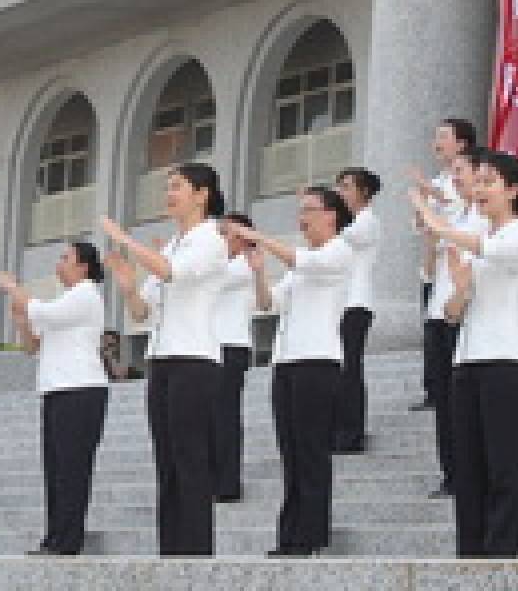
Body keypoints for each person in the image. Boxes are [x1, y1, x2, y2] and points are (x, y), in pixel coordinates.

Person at [411, 150, 518, 558]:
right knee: (468, 469)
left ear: (513, 190)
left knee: (503, 465)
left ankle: (501, 555)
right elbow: (451, 312)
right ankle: (470, 555)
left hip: (505, 362)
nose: (480, 189)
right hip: (466, 363)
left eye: (489, 182)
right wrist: (463, 290)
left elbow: (482, 246)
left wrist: (434, 221)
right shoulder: (474, 245)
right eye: (478, 181)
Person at [102, 163, 228, 557]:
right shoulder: (173, 244)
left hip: (195, 362)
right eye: (167, 187)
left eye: (177, 186)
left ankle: (194, 558)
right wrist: (126, 287)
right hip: (163, 362)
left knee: (190, 461)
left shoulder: (211, 239)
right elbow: (143, 312)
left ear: (202, 194)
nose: (169, 193)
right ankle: (170, 556)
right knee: (167, 462)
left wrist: (126, 240)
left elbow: (171, 273)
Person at [227, 187, 354, 558]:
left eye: (309, 210)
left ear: (331, 215)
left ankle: (311, 534)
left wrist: (258, 236)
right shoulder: (303, 262)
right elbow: (269, 303)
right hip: (286, 363)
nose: (302, 217)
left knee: (311, 450)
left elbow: (304, 263)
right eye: (300, 211)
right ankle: (290, 534)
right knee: (291, 450)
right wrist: (259, 272)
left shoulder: (338, 251)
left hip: (318, 363)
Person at [0, 242, 109, 557]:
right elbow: (33, 345)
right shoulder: (66, 299)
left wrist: (14, 288)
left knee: (73, 468)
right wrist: (20, 318)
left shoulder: (86, 295)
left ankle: (69, 539)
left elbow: (41, 312)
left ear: (83, 266)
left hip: (81, 390)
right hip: (57, 390)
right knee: (56, 468)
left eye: (65, 257)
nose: (59, 263)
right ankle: (55, 537)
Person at [422, 149, 487, 499]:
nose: (455, 177)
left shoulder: (481, 218)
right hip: (440, 314)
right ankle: (450, 472)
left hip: (463, 316)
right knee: (444, 405)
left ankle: (465, 474)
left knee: (459, 406)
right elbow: (434, 268)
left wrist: (427, 212)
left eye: (460, 170)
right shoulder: (457, 215)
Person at [408, 119, 476, 410]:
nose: (437, 142)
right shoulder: (437, 181)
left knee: (450, 335)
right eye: (435, 136)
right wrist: (425, 199)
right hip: (436, 270)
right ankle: (435, 391)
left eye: (443, 136)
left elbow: (452, 209)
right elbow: (423, 226)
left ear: (462, 144)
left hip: (460, 274)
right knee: (434, 335)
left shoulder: (465, 186)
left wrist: (429, 196)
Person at [331, 168, 381, 454]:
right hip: (339, 304)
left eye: (347, 187)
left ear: (364, 192)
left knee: (349, 369)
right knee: (338, 369)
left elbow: (338, 235)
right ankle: (338, 428)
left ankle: (351, 433)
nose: (341, 192)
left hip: (356, 304)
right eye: (339, 186)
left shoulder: (367, 221)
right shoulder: (349, 223)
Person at [211, 212, 258, 502]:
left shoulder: (245, 265)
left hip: (232, 346)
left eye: (225, 232)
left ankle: (227, 483)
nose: (220, 238)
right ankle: (214, 478)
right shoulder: (225, 264)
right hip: (212, 346)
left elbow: (212, 279)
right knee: (211, 417)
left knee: (225, 416)